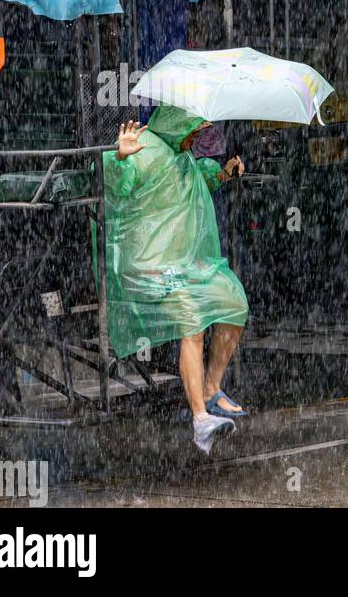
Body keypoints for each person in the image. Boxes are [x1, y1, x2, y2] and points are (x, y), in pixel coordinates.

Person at [106, 105, 250, 454]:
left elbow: (199, 179)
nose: (195, 139)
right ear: (176, 124)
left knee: (233, 302)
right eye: (192, 132)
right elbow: (115, 183)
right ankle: (201, 420)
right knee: (193, 321)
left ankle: (210, 389)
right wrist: (120, 159)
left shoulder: (182, 157)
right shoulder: (144, 147)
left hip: (184, 266)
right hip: (147, 267)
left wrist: (225, 174)